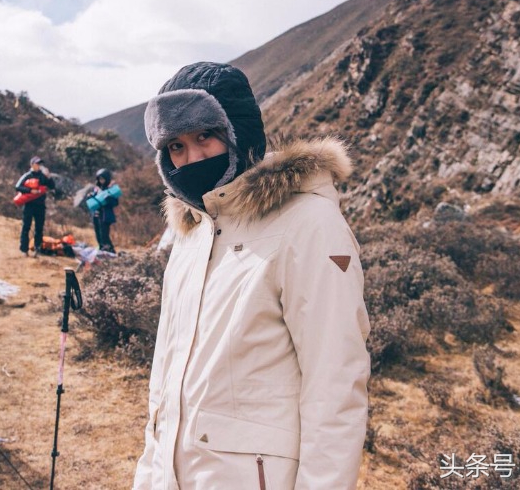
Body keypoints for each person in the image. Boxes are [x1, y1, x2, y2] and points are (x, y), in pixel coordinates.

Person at [133, 62, 370, 490]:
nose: (191, 158)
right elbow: (163, 383)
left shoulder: (309, 223)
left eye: (205, 136)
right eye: (175, 146)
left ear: (238, 132)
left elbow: (335, 389)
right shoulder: (189, 233)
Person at [15, 155, 56, 257]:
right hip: (29, 205)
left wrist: (49, 176)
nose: (39, 166)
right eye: (37, 164)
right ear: (32, 164)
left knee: (39, 228)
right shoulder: (27, 175)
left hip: (40, 206)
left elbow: (52, 186)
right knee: (26, 227)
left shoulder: (43, 176)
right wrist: (30, 190)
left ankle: (37, 249)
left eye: (40, 164)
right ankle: (24, 250)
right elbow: (17, 187)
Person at [88, 168, 119, 253]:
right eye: (100, 179)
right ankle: (101, 249)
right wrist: (90, 196)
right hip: (96, 215)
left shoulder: (110, 190)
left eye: (103, 179)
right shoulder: (97, 189)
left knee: (104, 235)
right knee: (98, 234)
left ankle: (110, 251)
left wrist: (108, 198)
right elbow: (94, 200)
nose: (101, 181)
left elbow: (115, 203)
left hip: (105, 216)